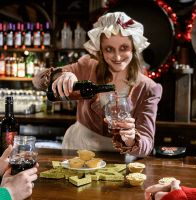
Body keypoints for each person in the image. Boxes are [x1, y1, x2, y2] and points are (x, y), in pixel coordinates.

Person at [33, 12, 162, 156]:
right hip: (79, 148)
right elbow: (38, 81)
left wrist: (131, 138)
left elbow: (147, 146)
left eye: (124, 47)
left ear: (134, 48)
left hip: (119, 157)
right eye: (109, 49)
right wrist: (63, 75)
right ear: (101, 50)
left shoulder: (149, 88)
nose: (117, 57)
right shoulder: (87, 66)